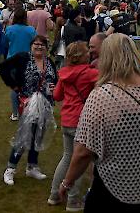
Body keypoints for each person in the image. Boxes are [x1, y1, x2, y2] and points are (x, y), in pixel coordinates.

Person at [59, 33, 140, 211]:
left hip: (116, 181)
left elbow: (83, 151)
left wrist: (67, 182)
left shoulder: (102, 95)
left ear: (106, 57)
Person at [48, 41, 99, 210]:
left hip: (67, 120)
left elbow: (56, 95)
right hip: (81, 121)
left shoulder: (64, 73)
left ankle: (54, 195)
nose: (89, 54)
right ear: (81, 56)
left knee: (67, 158)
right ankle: (73, 200)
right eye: (87, 52)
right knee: (78, 163)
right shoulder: (90, 73)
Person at [1, 35, 58, 186]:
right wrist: (14, 86)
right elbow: (4, 67)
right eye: (36, 44)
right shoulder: (23, 58)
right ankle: (10, 169)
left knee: (38, 135)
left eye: (42, 45)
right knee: (24, 136)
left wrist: (54, 87)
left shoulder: (49, 62)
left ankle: (32, 166)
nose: (39, 47)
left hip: (45, 103)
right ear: (31, 46)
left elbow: (55, 79)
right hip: (27, 103)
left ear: (46, 48)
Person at [4, 8, 37, 120]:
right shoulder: (31, 30)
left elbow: (4, 43)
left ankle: (15, 113)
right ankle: (27, 111)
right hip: (27, 61)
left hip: (13, 61)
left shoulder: (9, 29)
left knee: (15, 88)